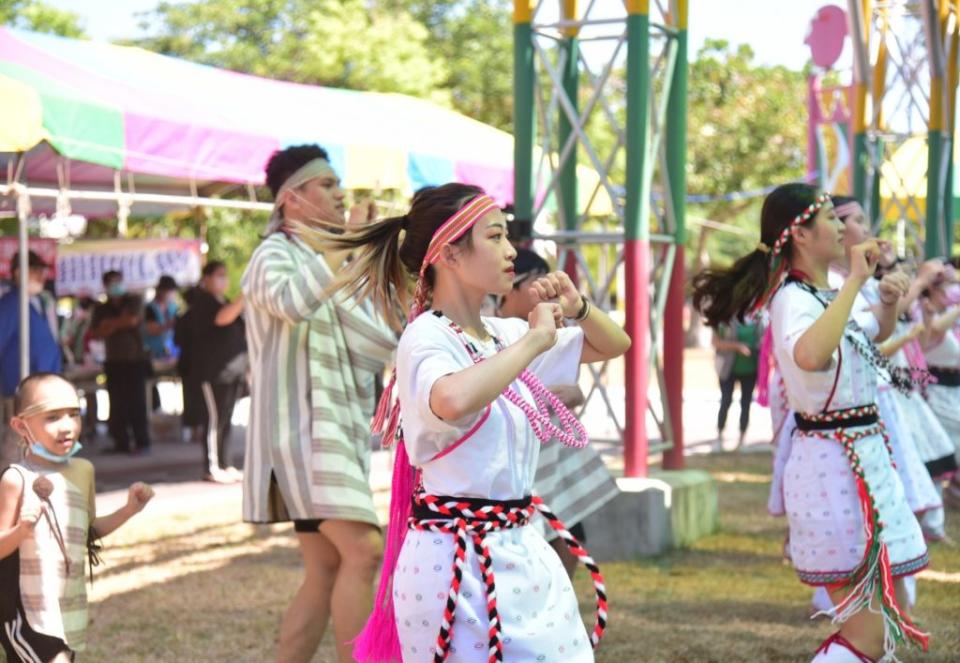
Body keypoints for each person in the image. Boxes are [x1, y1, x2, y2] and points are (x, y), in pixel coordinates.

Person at [310, 183, 631, 662]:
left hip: (520, 548)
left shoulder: (504, 334)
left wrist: (577, 306)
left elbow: (613, 344)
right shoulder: (426, 336)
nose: (511, 252)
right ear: (450, 253)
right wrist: (533, 343)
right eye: (497, 236)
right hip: (453, 565)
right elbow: (452, 398)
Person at [692, 183, 928, 662]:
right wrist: (859, 285)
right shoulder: (792, 299)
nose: (843, 228)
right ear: (800, 233)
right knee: (868, 634)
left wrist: (884, 299)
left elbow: (871, 332)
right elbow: (812, 355)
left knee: (890, 615)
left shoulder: (827, 292)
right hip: (832, 470)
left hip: (863, 459)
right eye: (832, 218)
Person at [241, 144, 396, 662]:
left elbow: (376, 342)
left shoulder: (326, 262)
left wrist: (372, 257)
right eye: (326, 185)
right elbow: (290, 300)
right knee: (363, 550)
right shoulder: (272, 255)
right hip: (299, 437)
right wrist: (346, 244)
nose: (339, 194)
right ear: (292, 199)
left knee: (327, 567)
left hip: (331, 436)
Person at [0, 373, 154, 662]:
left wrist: (128, 511)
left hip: (67, 607)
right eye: (52, 417)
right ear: (21, 425)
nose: (67, 426)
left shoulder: (83, 471)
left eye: (74, 414)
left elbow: (87, 532)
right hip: (26, 609)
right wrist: (22, 531)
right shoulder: (16, 479)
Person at [496, 248, 619, 578]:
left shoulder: (544, 330)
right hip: (512, 466)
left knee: (569, 538)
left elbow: (617, 343)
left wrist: (579, 307)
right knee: (533, 544)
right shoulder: (492, 333)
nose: (546, 289)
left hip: (552, 455)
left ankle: (558, 606)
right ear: (514, 285)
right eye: (537, 279)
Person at [0, 252, 62, 469]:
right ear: (19, 273)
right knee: (17, 448)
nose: (41, 276)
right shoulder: (10, 304)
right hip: (21, 389)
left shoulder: (39, 302)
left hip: (42, 389)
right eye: (35, 271)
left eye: (42, 271)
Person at [191, 262, 246, 483]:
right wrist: (244, 297)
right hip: (212, 373)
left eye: (226, 275)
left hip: (232, 371)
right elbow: (222, 318)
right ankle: (212, 466)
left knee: (226, 419)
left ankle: (225, 463)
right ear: (207, 278)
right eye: (219, 276)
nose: (224, 280)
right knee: (213, 420)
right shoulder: (202, 303)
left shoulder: (225, 301)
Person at [90, 271, 150, 455]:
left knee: (137, 402)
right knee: (117, 403)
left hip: (135, 359)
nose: (116, 285)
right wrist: (117, 323)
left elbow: (132, 320)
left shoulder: (134, 300)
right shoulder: (101, 308)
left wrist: (110, 324)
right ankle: (121, 441)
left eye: (118, 281)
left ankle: (142, 441)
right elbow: (96, 332)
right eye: (112, 282)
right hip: (113, 360)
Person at [712, 317, 761, 450]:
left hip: (750, 369)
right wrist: (737, 346)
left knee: (746, 403)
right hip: (728, 369)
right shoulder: (724, 317)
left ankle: (742, 438)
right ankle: (719, 435)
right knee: (725, 400)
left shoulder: (757, 318)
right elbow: (715, 342)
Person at [174, 286, 207, 444]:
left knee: (191, 397)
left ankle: (195, 429)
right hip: (200, 363)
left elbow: (177, 341)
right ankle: (200, 429)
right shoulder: (203, 317)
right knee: (201, 397)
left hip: (189, 363)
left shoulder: (183, 317)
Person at [143, 275, 180, 360]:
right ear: (161, 290)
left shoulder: (173, 307)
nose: (172, 294)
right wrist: (170, 324)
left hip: (172, 351)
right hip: (153, 351)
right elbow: (152, 330)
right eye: (170, 291)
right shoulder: (150, 308)